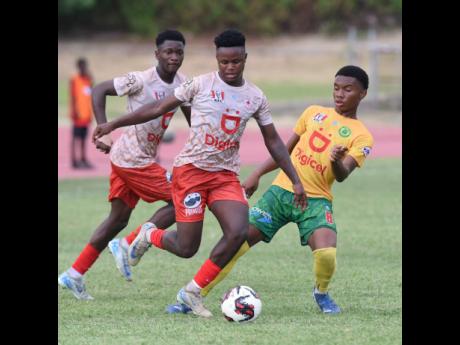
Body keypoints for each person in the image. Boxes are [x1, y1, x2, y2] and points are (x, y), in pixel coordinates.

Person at [92, 29, 307, 317]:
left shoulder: (255, 97)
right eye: (224, 62)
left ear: (245, 58)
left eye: (236, 61)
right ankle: (149, 235)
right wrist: (113, 124)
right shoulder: (199, 84)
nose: (229, 68)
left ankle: (192, 292)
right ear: (217, 59)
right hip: (191, 172)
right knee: (186, 247)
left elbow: (274, 141)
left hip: (225, 176)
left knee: (238, 231)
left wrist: (295, 179)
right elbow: (157, 107)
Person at [166, 65, 375, 315]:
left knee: (327, 253)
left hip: (316, 201)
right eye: (336, 88)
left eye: (348, 89)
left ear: (362, 94)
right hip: (279, 194)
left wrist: (334, 161)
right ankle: (192, 295)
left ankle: (321, 293)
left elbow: (342, 175)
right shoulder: (313, 113)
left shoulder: (362, 136)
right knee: (237, 243)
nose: (339, 94)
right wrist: (256, 173)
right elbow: (282, 151)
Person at [58, 29, 191, 300]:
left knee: (117, 219)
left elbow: (194, 118)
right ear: (157, 54)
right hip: (132, 159)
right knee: (185, 198)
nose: (174, 57)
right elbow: (99, 89)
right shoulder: (140, 80)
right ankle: (130, 243)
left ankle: (74, 274)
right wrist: (104, 130)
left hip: (126, 159)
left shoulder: (183, 85)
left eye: (179, 52)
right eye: (168, 52)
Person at [69, 57, 94, 169]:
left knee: (84, 138)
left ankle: (83, 159)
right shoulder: (74, 79)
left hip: (86, 114)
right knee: (75, 138)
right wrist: (74, 111)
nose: (84, 68)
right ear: (78, 67)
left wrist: (91, 113)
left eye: (85, 66)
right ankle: (74, 160)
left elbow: (91, 95)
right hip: (78, 114)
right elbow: (73, 97)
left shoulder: (88, 79)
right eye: (82, 66)